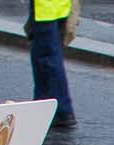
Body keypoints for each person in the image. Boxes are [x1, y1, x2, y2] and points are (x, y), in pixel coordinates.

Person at [28, 0, 77, 131]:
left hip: (46, 8)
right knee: (42, 55)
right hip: (56, 6)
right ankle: (43, 105)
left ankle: (61, 109)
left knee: (47, 58)